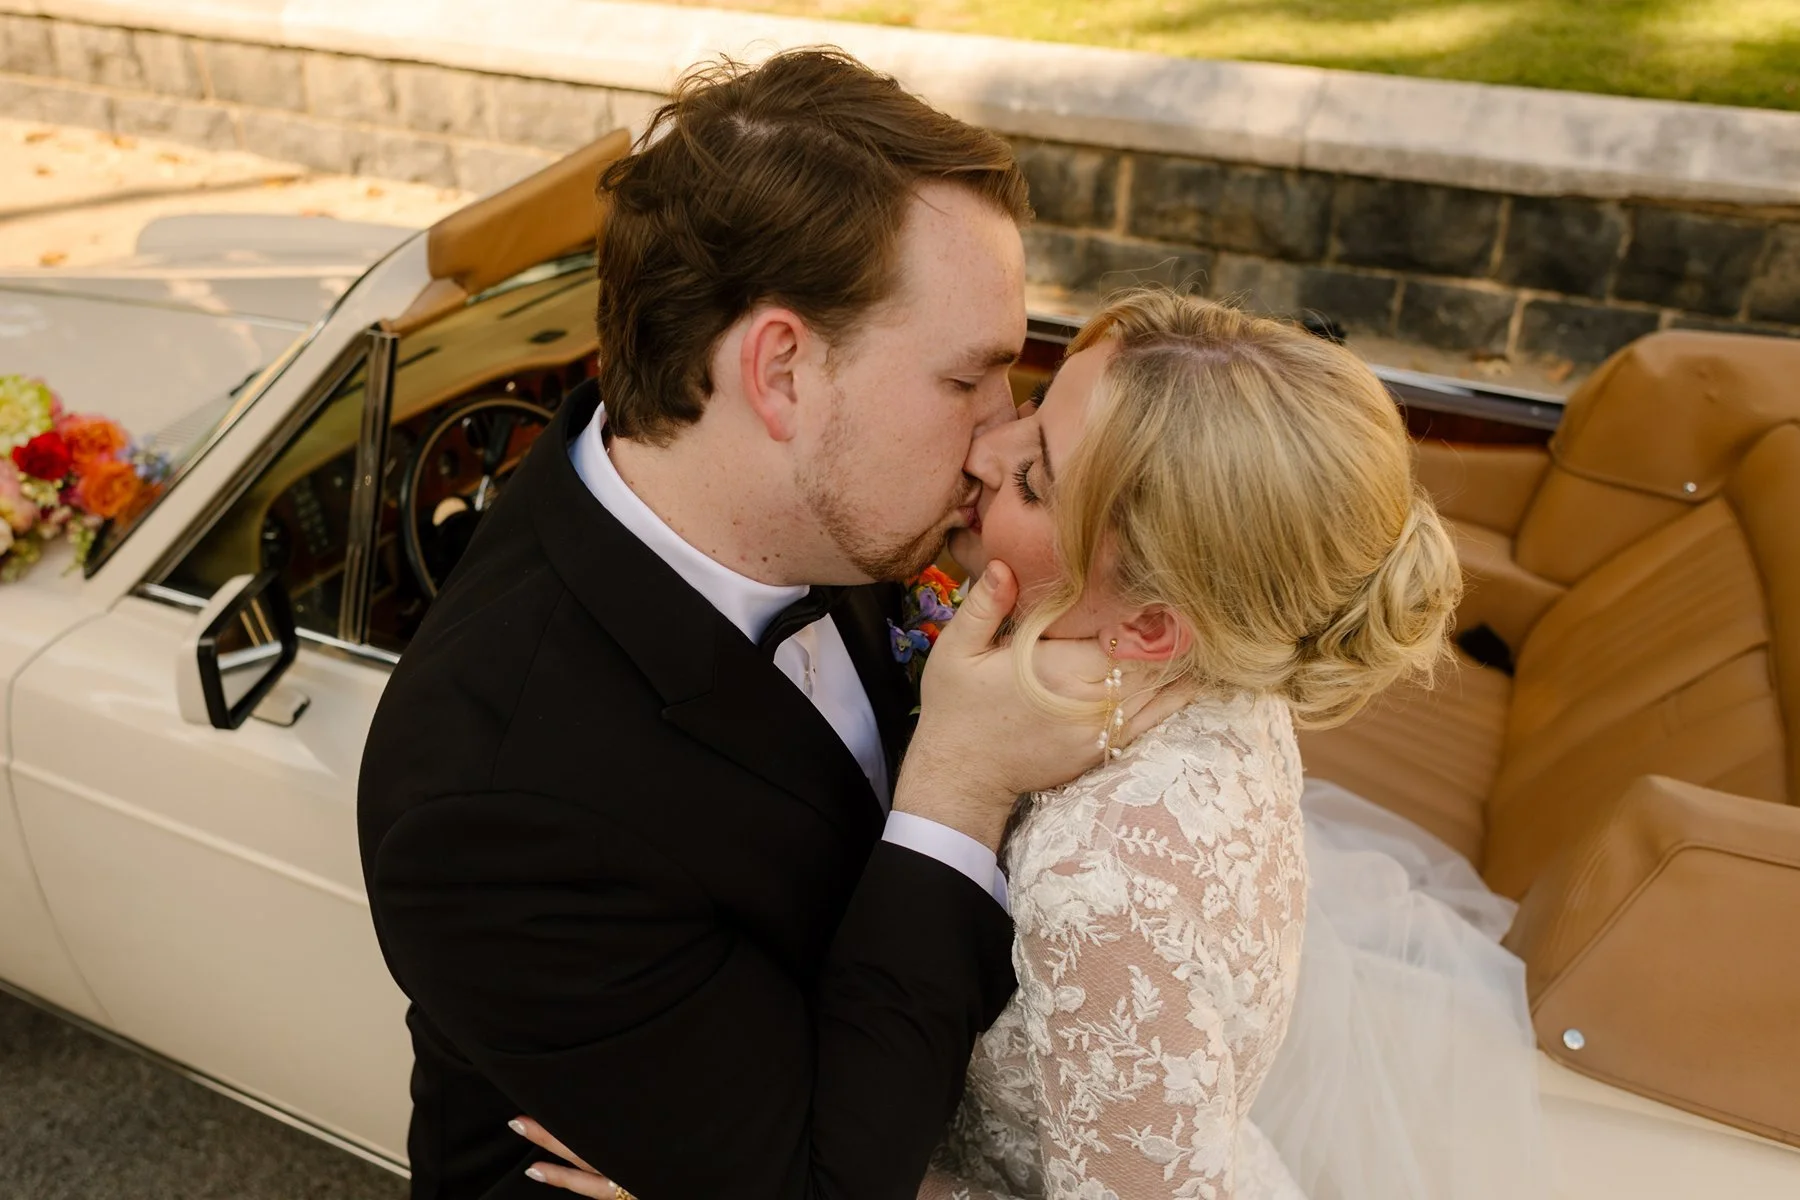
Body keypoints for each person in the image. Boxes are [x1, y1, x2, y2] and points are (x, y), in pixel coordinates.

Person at [517, 291, 1550, 1200]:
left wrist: (727, 1173)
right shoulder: (1212, 659)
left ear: (1152, 626)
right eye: (1033, 407)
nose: (981, 451)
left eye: (1036, 483)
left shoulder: (1104, 885)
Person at [357, 50, 1166, 1200]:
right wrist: (959, 786)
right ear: (780, 371)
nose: (1000, 441)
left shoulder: (825, 508)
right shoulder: (495, 803)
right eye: (967, 380)